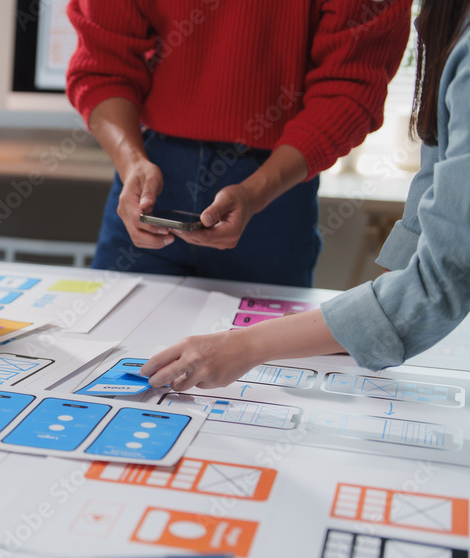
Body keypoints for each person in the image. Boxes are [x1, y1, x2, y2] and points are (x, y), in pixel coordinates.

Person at [141, 0, 470, 397]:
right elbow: (439, 175)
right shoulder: (450, 25)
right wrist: (382, 308)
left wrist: (245, 345)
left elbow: (443, 280)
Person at [66, 0, 412, 287]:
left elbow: (349, 89)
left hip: (274, 187)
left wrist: (257, 191)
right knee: (109, 350)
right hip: (151, 174)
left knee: (261, 360)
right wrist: (131, 162)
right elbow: (103, 65)